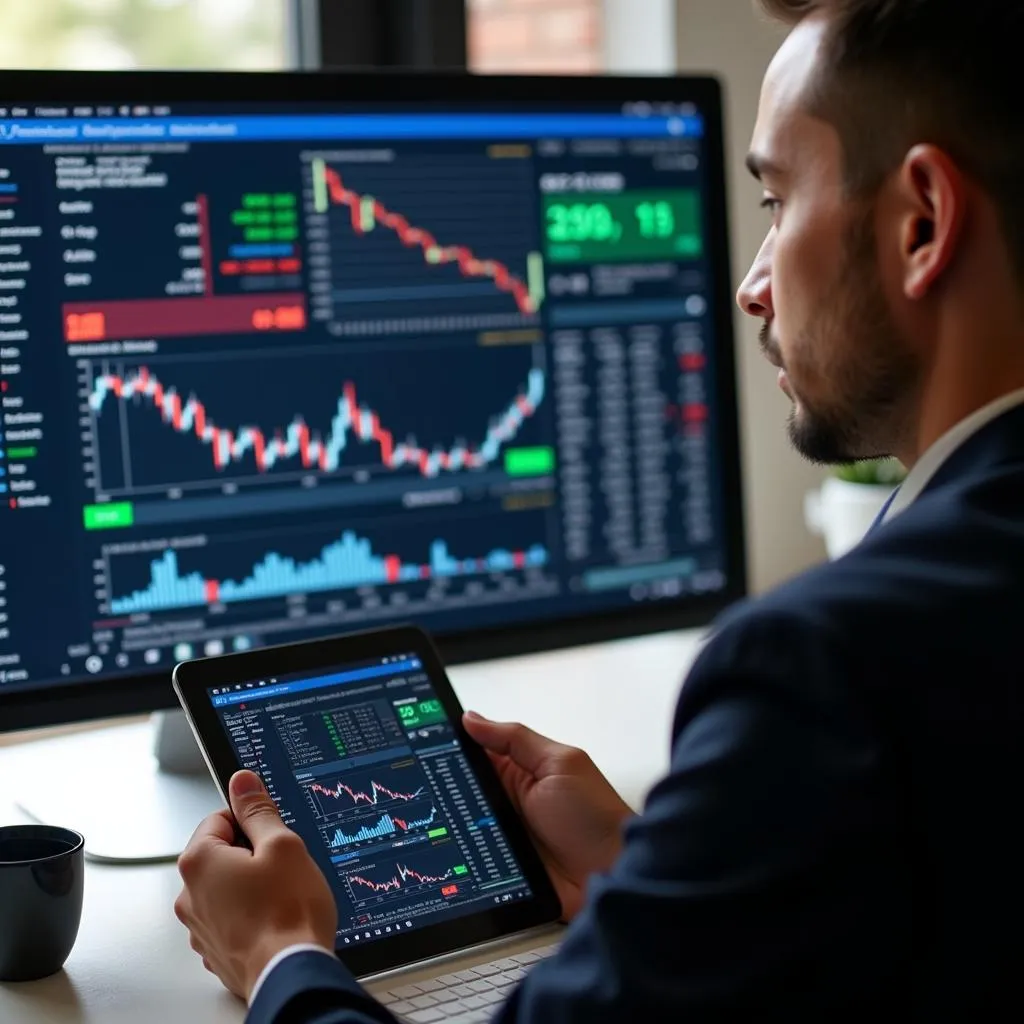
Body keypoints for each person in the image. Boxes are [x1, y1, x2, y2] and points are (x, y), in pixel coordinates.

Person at [174, 1, 1024, 1019]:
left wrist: (278, 955)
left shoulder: (827, 671)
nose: (751, 285)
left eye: (774, 201)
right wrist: (665, 864)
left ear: (921, 222)